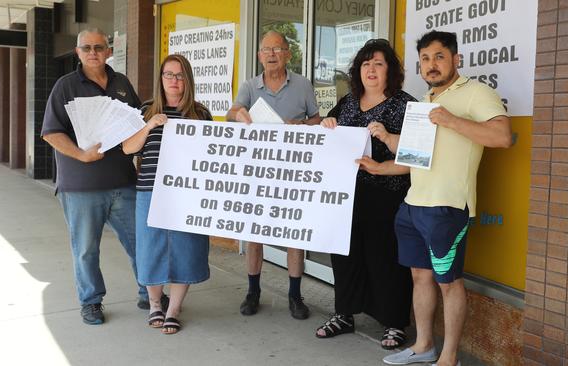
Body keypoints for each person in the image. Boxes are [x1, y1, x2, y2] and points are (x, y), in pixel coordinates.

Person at [382, 31, 512, 366]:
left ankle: (449, 358)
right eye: (425, 58)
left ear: (456, 59)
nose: (431, 64)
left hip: (447, 207)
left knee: (449, 283)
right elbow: (413, 155)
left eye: (439, 56)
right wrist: (385, 140)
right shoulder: (423, 102)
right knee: (419, 277)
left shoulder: (476, 93)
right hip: (414, 205)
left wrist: (452, 120)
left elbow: (502, 136)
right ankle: (424, 345)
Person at [41, 28, 151, 325]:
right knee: (86, 250)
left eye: (99, 47)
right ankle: (91, 302)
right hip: (81, 187)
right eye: (86, 47)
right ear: (77, 52)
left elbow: (135, 126)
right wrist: (81, 154)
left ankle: (149, 294)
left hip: (124, 183)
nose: (93, 52)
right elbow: (50, 133)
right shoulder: (65, 86)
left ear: (108, 50)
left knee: (140, 243)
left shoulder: (122, 83)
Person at [315, 39, 414, 350]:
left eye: (379, 63)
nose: (371, 69)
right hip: (345, 196)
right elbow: (326, 130)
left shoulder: (404, 104)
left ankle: (394, 322)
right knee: (345, 255)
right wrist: (326, 123)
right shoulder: (347, 102)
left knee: (385, 258)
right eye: (366, 63)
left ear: (390, 71)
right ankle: (344, 313)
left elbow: (416, 154)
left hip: (387, 197)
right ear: (358, 70)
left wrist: (384, 150)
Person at [226, 30, 320, 320]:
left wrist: (303, 124)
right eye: (266, 49)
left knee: (294, 234)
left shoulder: (303, 85)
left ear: (288, 54)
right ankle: (253, 292)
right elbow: (232, 112)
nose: (271, 54)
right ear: (259, 56)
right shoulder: (250, 86)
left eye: (277, 49)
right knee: (255, 234)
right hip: (258, 172)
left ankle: (295, 295)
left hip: (293, 171)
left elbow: (318, 118)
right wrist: (239, 113)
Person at [122, 54, 213, 335]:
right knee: (150, 249)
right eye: (168, 75)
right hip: (150, 190)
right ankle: (154, 304)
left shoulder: (200, 113)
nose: (174, 80)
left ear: (188, 80)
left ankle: (173, 308)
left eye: (180, 75)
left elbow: (212, 155)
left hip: (187, 194)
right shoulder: (145, 110)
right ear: (161, 79)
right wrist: (149, 126)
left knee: (185, 248)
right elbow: (128, 148)